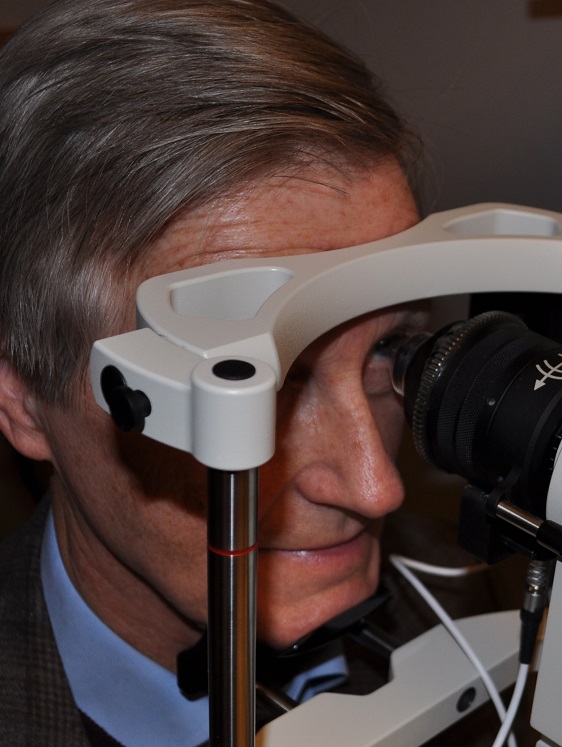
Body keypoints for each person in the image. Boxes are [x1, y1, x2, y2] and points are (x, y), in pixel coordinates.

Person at [0, 1, 532, 745]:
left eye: (390, 347)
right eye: (250, 379)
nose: (376, 486)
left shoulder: (490, 601)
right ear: (23, 397)